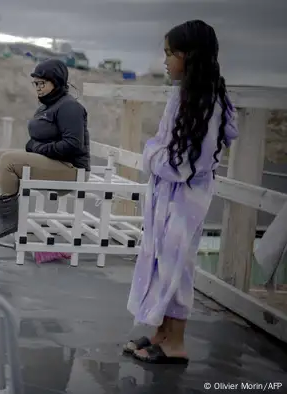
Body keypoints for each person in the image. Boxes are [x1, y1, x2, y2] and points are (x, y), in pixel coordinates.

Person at [123, 20, 238, 364]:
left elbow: (186, 161)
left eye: (171, 53)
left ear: (191, 56)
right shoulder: (187, 95)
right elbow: (171, 147)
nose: (165, 61)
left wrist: (152, 154)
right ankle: (161, 332)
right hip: (171, 194)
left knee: (177, 266)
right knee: (162, 261)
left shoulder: (205, 102)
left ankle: (176, 342)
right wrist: (159, 151)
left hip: (184, 196)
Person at [0, 58, 90, 240]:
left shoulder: (70, 107)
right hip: (53, 161)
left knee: (8, 161)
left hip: (71, 169)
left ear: (56, 82)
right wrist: (36, 147)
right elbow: (36, 142)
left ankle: (10, 220)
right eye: (35, 83)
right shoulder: (48, 105)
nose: (38, 87)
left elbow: (73, 144)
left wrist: (38, 148)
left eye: (42, 83)